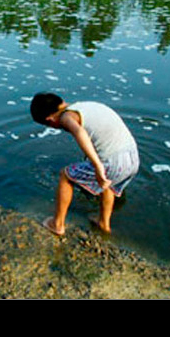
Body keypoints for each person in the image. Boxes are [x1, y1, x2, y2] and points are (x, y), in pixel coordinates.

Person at [30, 93, 139, 235]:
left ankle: (57, 224)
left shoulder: (65, 117)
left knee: (66, 175)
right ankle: (103, 224)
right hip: (132, 158)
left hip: (112, 162)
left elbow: (79, 132)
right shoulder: (85, 106)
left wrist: (98, 166)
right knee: (108, 185)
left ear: (50, 119)